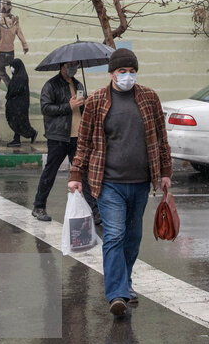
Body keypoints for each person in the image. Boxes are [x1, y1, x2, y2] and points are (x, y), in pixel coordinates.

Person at [68, 48, 172, 317]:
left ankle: (125, 282)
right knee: (114, 234)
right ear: (112, 73)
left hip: (140, 181)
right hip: (108, 181)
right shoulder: (96, 101)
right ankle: (117, 294)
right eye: (122, 71)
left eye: (132, 71)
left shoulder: (149, 98)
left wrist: (165, 172)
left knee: (133, 237)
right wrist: (76, 175)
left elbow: (161, 137)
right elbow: (85, 141)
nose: (128, 76)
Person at [32, 61, 97, 222]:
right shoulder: (51, 85)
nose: (73, 67)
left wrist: (87, 104)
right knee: (50, 172)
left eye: (76, 64)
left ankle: (96, 212)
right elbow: (46, 108)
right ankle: (39, 206)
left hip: (78, 136)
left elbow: (82, 108)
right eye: (70, 64)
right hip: (58, 137)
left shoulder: (78, 84)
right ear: (62, 66)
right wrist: (68, 106)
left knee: (83, 174)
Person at [4, 58, 38, 148]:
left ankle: (31, 133)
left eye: (12, 66)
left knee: (20, 122)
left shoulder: (20, 77)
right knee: (17, 122)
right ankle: (17, 139)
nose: (11, 68)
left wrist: (8, 97)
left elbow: (15, 90)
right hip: (17, 104)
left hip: (19, 104)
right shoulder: (18, 75)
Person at [0, 0, 28, 84]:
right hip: (10, 51)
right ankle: (5, 82)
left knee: (0, 70)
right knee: (12, 71)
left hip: (0, 51)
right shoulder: (15, 20)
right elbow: (19, 32)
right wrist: (24, 45)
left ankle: (9, 87)